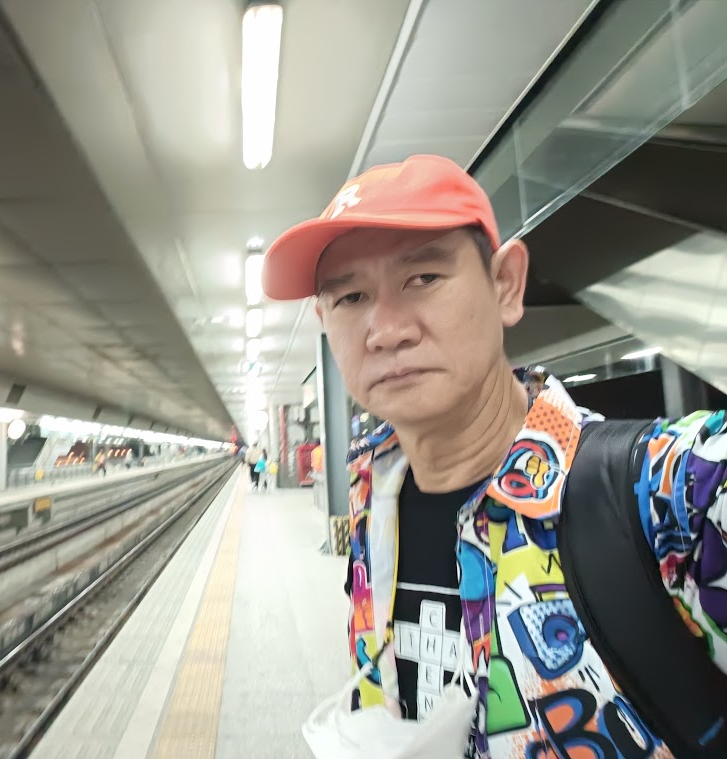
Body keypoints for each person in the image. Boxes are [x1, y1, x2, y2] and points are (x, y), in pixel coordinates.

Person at [262, 154, 727, 756]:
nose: (386, 330)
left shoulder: (671, 491)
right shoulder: (370, 496)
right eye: (351, 297)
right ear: (325, 320)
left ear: (505, 284)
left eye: (423, 278)